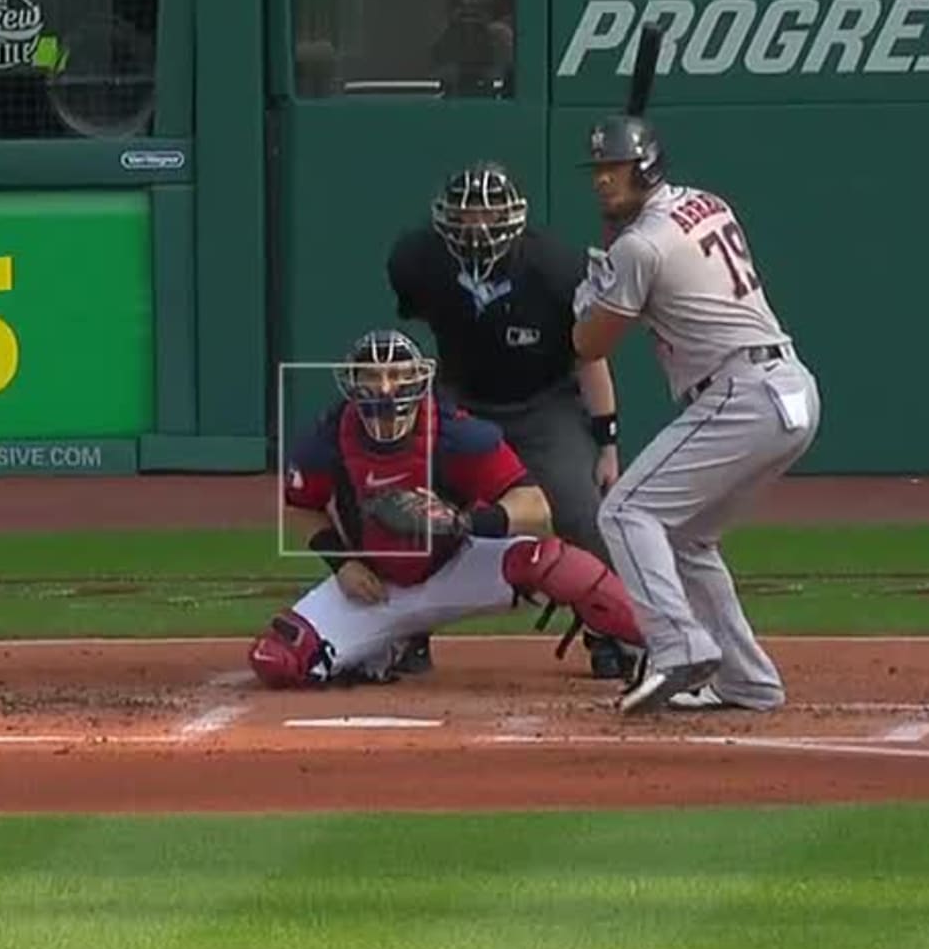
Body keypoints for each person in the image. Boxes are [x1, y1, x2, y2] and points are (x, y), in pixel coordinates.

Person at [569, 114, 823, 717]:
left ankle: (677, 647)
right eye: (600, 169)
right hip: (791, 391)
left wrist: (593, 292)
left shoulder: (638, 246)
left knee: (627, 512)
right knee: (684, 538)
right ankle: (747, 682)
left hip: (742, 393)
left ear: (647, 166)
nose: (605, 180)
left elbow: (590, 343)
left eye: (617, 167)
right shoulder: (706, 203)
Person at [250, 328, 645, 690]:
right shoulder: (326, 438)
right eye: (372, 376)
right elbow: (301, 507)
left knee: (554, 561)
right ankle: (389, 644)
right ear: (353, 382)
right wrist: (343, 563)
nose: (387, 388)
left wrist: (462, 522)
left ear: (419, 379)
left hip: (459, 564)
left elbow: (535, 506)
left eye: (398, 375)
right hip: (377, 585)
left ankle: (660, 644)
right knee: (278, 660)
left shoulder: (457, 433)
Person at [387, 161, 634, 684]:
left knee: (583, 512)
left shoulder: (556, 269)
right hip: (461, 400)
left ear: (513, 217)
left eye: (488, 213)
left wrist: (607, 441)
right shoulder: (419, 260)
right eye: (467, 213)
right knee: (412, 505)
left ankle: (609, 631)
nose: (477, 225)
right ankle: (404, 630)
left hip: (543, 401)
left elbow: (590, 358)